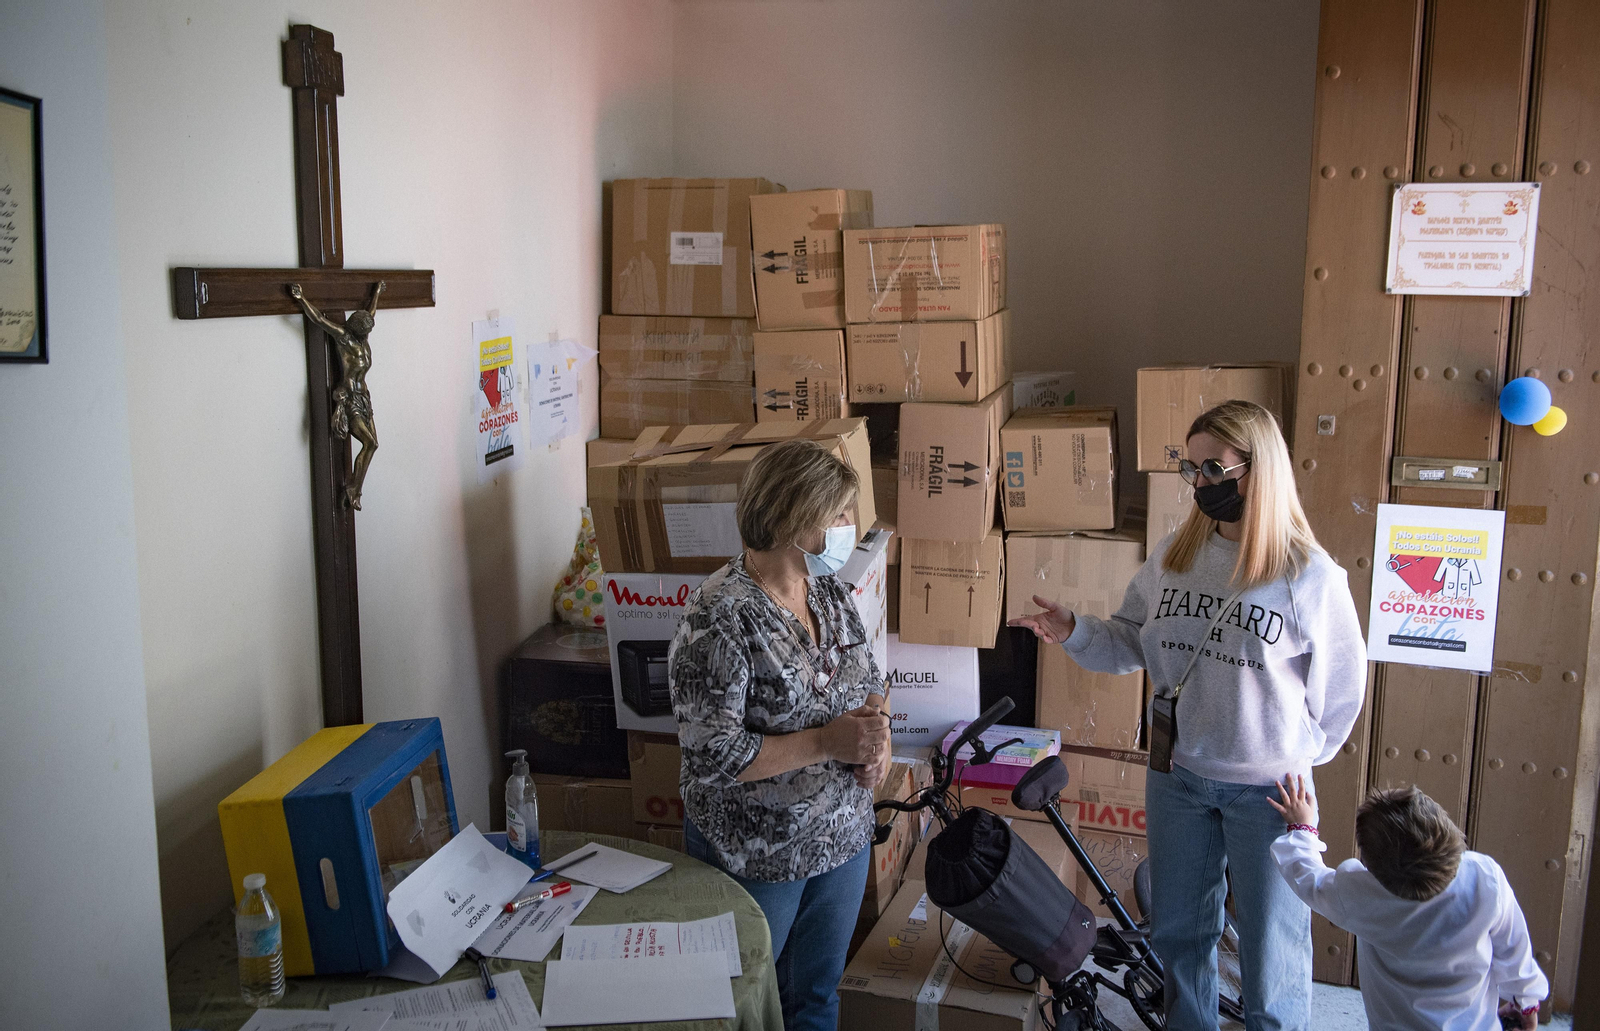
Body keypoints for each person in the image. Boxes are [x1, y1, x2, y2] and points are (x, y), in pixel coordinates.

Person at [1009, 399, 1366, 1030]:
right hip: (1177, 776)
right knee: (1180, 935)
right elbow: (1131, 639)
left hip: (1270, 792)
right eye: (1192, 469)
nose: (1200, 483)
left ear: (1259, 469)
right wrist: (1075, 630)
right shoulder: (1177, 554)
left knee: (1272, 951)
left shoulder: (1309, 576)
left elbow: (1341, 692)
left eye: (1214, 469)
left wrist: (1290, 750)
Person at [668, 438, 890, 1031]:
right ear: (795, 518)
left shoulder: (827, 590)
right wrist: (827, 743)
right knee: (747, 1009)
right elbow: (713, 756)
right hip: (759, 854)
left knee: (816, 999)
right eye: (837, 515)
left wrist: (878, 739)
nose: (848, 526)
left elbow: (870, 680)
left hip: (840, 838)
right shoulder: (718, 617)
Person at [1268, 777, 1548, 1030]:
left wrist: (1302, 827)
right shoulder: (1484, 877)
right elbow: (1514, 951)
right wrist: (1526, 1002)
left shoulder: (1360, 893)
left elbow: (1309, 878)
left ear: (1370, 864)